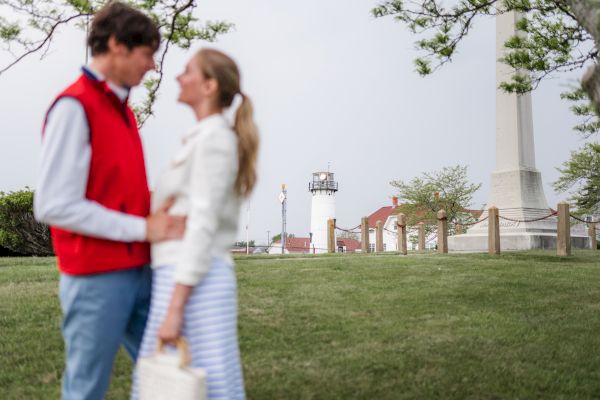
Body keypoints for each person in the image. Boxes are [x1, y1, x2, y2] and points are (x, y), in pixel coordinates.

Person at [34, 2, 185, 399]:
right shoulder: (73, 107)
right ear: (117, 45)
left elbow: (113, 191)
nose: (153, 65)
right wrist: (142, 227)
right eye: (147, 52)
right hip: (96, 280)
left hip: (142, 270)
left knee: (168, 380)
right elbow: (52, 204)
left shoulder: (125, 112)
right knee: (86, 389)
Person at [132, 48, 259, 400]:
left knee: (209, 386)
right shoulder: (203, 137)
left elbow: (202, 225)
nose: (177, 76)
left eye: (187, 70)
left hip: (193, 283)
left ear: (209, 86)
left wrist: (175, 309)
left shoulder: (216, 140)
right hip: (180, 278)